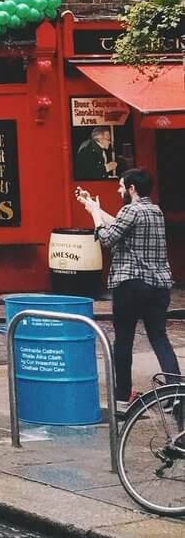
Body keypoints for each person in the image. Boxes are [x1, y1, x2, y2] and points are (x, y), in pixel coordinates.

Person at [77, 169, 179, 406]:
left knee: (123, 339)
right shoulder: (155, 210)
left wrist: (94, 216)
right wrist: (93, 206)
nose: (119, 190)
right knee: (159, 337)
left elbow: (107, 238)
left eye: (122, 187)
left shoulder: (130, 210)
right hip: (159, 286)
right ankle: (176, 393)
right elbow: (120, 226)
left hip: (131, 283)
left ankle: (122, 395)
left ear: (132, 188)